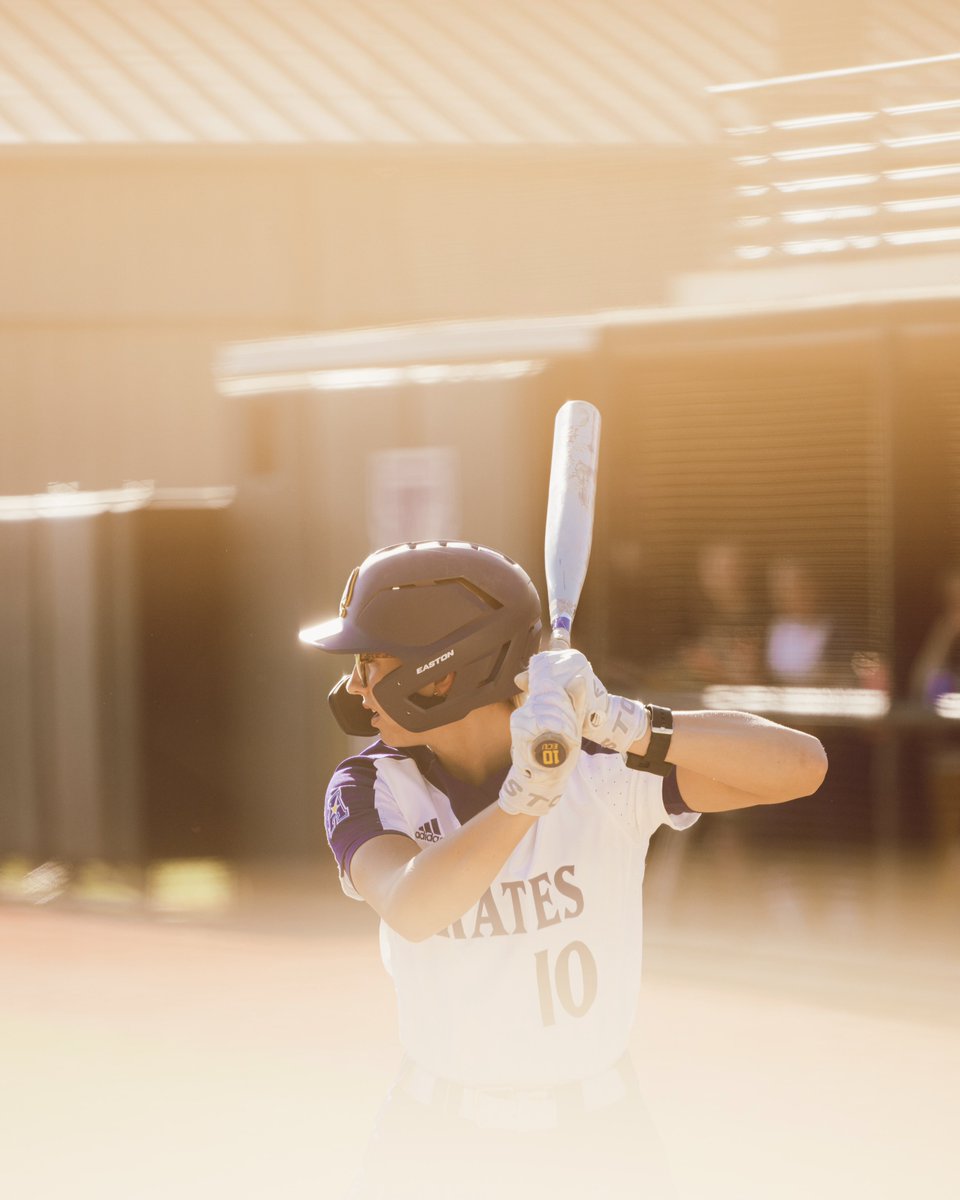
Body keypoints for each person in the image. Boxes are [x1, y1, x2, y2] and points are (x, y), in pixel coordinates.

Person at [303, 541, 827, 1200]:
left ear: (441, 673)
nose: (354, 687)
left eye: (370, 662)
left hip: (598, 1138)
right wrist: (525, 797)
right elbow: (413, 906)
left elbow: (803, 767)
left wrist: (627, 722)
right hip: (437, 1139)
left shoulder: (601, 764)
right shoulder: (370, 784)